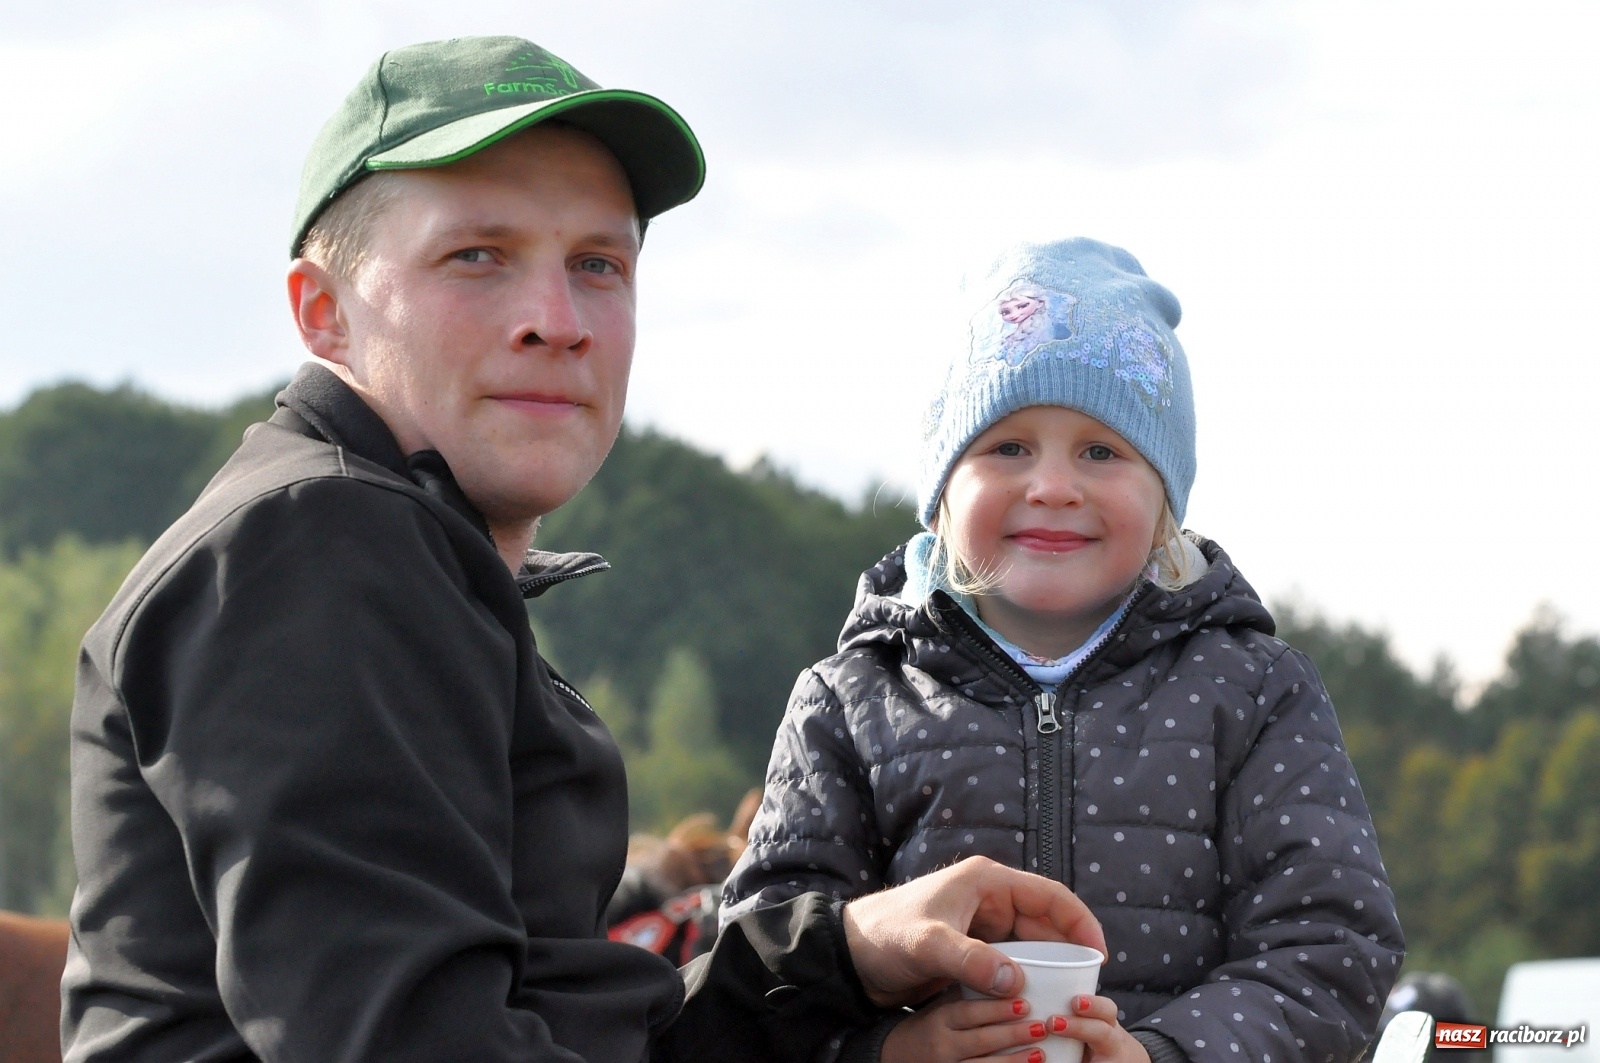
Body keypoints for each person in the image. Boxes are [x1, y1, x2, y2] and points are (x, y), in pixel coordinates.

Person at [60, 38, 1106, 1063]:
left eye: (596, 264)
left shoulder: (407, 561)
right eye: (478, 256)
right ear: (323, 314)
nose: (555, 321)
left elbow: (559, 1025)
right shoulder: (315, 546)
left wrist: (842, 955)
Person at [722, 237, 1406, 1062]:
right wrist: (890, 1052)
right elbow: (760, 972)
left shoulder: (1256, 690)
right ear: (941, 495)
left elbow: (1334, 951)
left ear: (1165, 497)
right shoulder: (850, 699)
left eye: (1101, 450)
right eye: (1007, 447)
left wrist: (1164, 1054)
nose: (1052, 485)